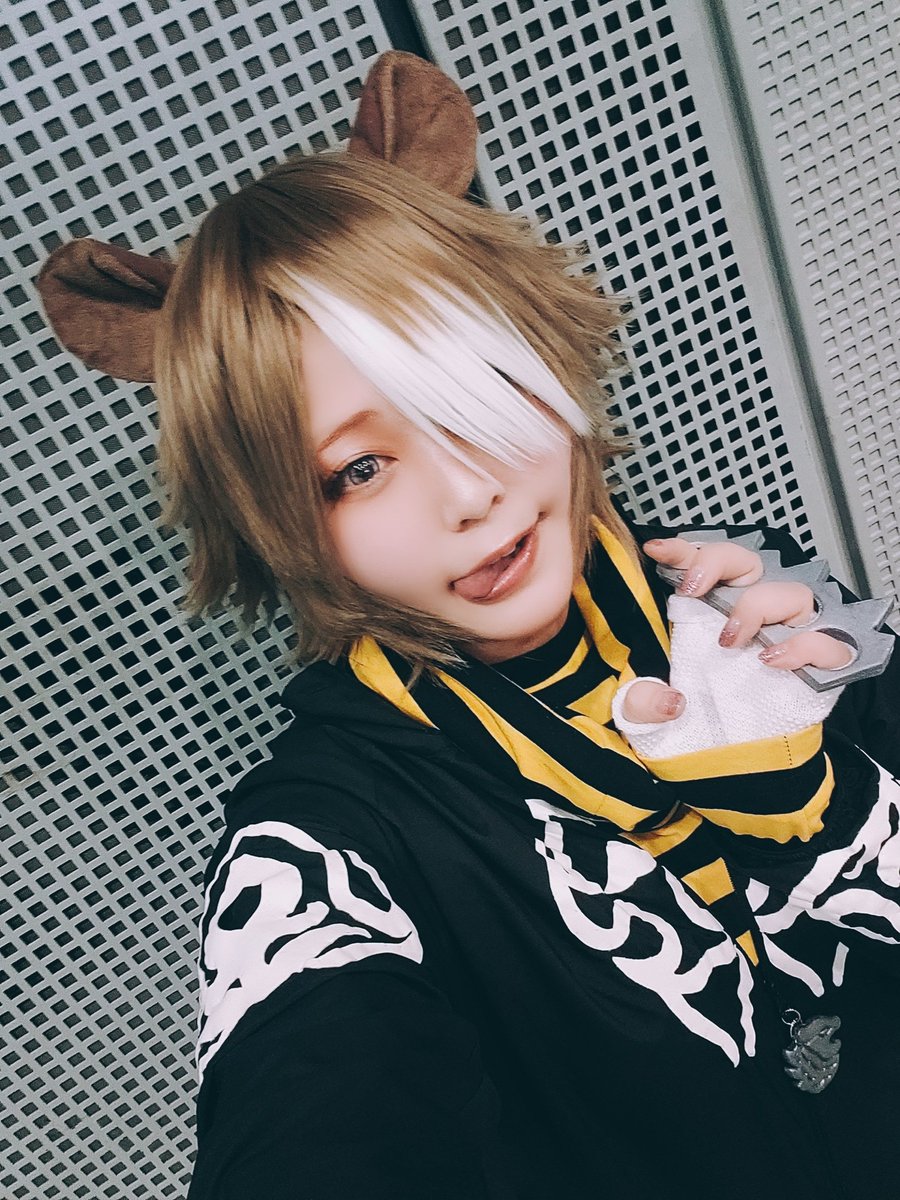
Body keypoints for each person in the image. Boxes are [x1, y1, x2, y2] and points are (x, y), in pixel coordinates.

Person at [37, 53, 900, 1200]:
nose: (467, 494)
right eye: (357, 469)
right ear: (282, 520)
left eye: (468, 390)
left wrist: (831, 797)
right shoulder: (331, 842)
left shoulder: (754, 594)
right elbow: (317, 1108)